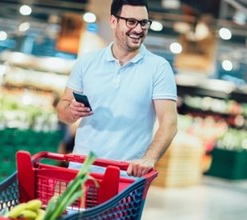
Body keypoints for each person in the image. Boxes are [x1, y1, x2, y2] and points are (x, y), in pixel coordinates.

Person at [57, 0, 178, 177]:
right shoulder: (86, 62)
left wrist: (148, 159)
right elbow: (63, 109)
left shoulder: (159, 68)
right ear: (113, 21)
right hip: (81, 172)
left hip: (126, 177)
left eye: (144, 23)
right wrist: (71, 112)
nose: (138, 29)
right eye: (131, 22)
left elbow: (169, 122)